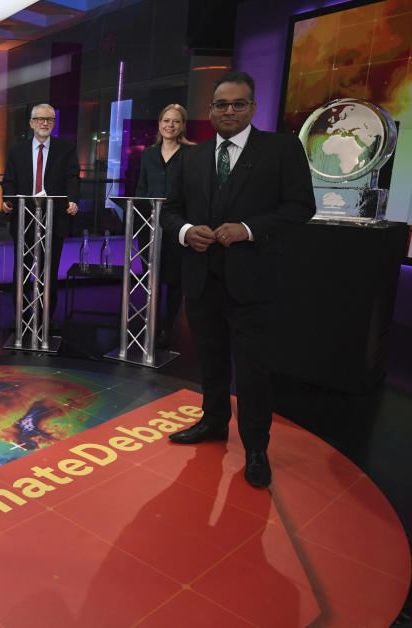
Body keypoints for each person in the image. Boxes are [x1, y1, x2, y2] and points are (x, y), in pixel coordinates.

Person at [160, 71, 315, 488]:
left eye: (238, 103)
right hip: (201, 279)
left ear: (253, 107)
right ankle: (213, 423)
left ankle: (256, 448)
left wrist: (247, 229)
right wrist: (184, 232)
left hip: (254, 282)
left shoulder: (281, 149)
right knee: (210, 361)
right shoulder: (191, 157)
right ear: (209, 110)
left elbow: (302, 207)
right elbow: (170, 210)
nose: (229, 111)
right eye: (221, 104)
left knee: (252, 371)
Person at [0, 103, 80, 323]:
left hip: (54, 219)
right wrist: (7, 200)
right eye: (40, 119)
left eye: (50, 119)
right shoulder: (17, 150)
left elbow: (73, 177)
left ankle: (46, 319)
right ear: (31, 123)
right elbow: (8, 181)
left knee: (49, 271)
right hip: (24, 219)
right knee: (23, 271)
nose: (45, 123)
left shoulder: (67, 148)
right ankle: (22, 317)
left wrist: (72, 199)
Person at [136, 103, 196, 349]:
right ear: (160, 124)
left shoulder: (192, 153)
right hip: (149, 226)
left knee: (173, 281)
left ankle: (167, 328)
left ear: (182, 125)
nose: (170, 125)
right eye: (166, 121)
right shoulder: (149, 154)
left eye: (175, 121)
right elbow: (141, 187)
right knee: (152, 279)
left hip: (177, 226)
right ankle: (150, 324)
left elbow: (194, 191)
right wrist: (138, 220)